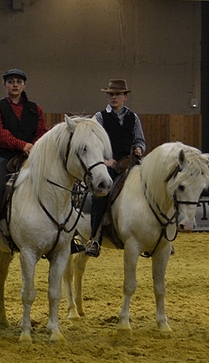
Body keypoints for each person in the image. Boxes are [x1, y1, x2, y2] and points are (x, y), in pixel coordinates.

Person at [0, 69, 48, 264]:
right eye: (10, 81)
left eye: (18, 81)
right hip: (3, 156)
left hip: (31, 155)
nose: (15, 84)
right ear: (5, 85)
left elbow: (42, 131)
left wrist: (34, 146)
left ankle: (64, 236)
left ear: (24, 85)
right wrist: (22, 145)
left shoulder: (36, 109)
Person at [86, 79, 147, 258]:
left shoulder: (133, 118)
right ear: (107, 96)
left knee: (153, 187)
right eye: (111, 94)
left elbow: (140, 140)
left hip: (130, 162)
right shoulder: (98, 117)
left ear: (125, 97)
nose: (114, 97)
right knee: (101, 195)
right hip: (107, 165)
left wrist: (139, 149)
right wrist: (105, 161)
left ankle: (159, 235)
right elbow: (92, 143)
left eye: (118, 94)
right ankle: (94, 238)